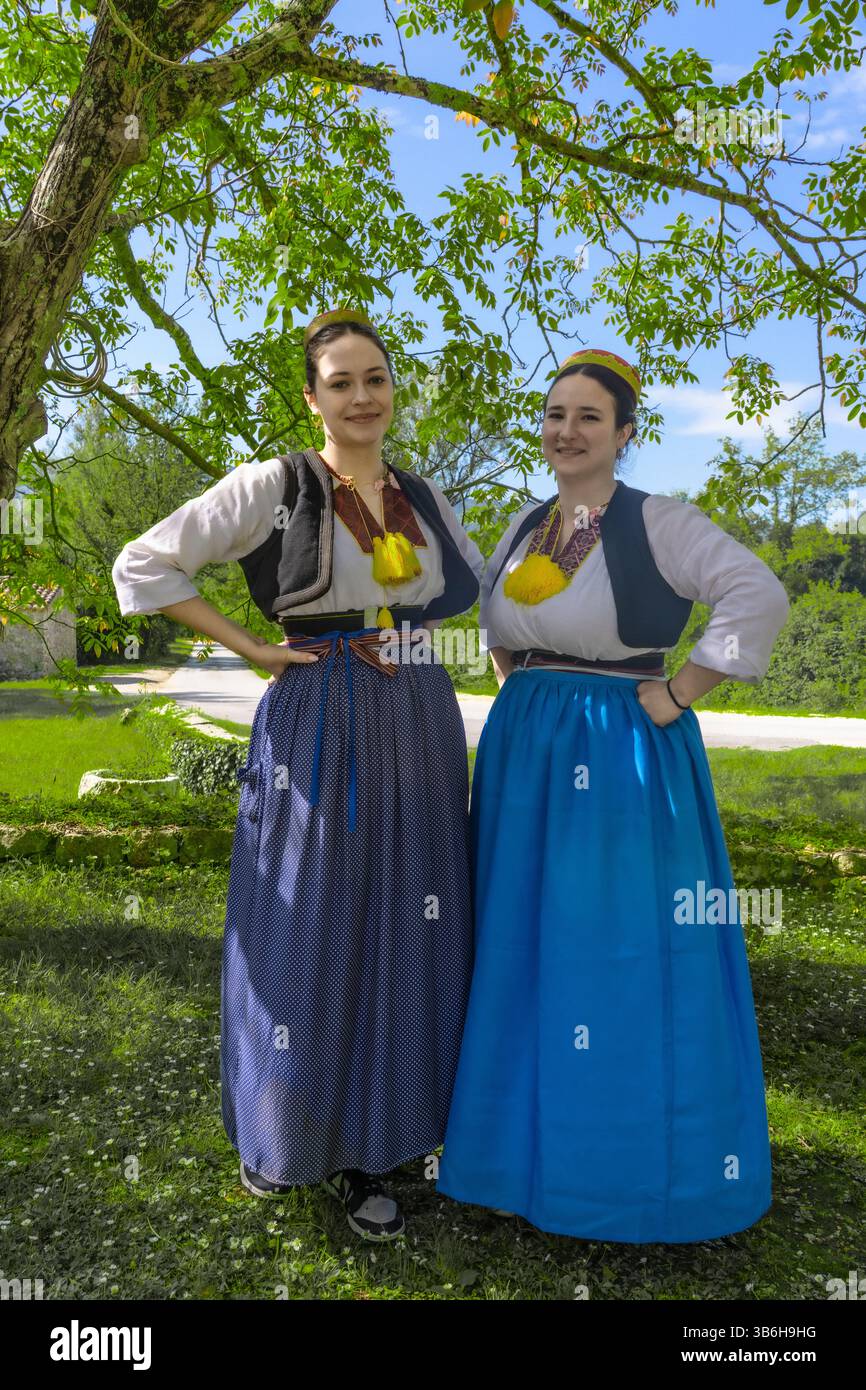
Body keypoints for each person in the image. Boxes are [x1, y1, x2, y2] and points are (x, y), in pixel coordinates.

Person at [112, 309, 483, 1240]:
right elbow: (146, 563)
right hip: (318, 713)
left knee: (409, 920)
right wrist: (248, 648)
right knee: (310, 916)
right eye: (343, 382)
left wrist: (425, 642)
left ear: (394, 389)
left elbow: (475, 588)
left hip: (417, 719)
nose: (363, 397)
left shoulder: (425, 496)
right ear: (312, 396)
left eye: (377, 379)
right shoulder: (273, 487)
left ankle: (375, 1146)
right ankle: (285, 1130)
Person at [435, 347, 791, 1243]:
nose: (567, 430)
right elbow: (504, 628)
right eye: (556, 414)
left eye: (589, 417)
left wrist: (677, 695)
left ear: (624, 434)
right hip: (528, 754)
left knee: (614, 944)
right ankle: (514, 1157)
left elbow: (757, 593)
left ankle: (624, 1172)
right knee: (518, 939)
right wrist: (523, 687)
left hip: (618, 750)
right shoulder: (527, 522)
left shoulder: (657, 520)